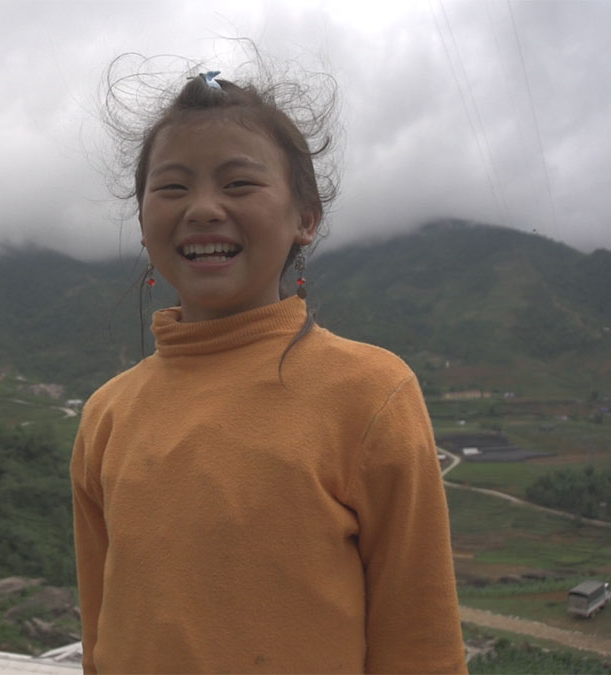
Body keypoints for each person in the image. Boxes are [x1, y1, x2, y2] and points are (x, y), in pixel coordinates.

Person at [71, 66, 466, 674]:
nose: (203, 209)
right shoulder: (107, 414)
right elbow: (100, 634)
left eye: (238, 184)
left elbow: (421, 641)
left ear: (304, 218)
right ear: (144, 220)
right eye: (172, 188)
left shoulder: (370, 394)